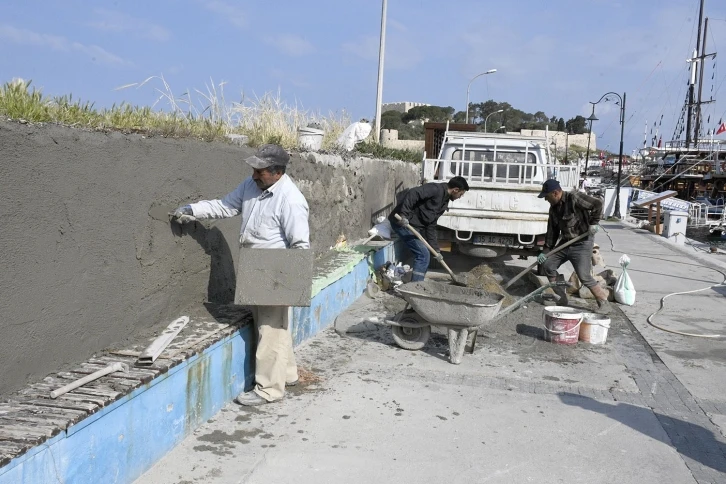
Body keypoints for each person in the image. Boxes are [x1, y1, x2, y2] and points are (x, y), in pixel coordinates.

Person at [170, 144, 309, 406]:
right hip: (255, 265)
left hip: (275, 268)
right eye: (254, 170)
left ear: (277, 172)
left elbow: (300, 245)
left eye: (261, 171)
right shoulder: (251, 186)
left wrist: (289, 287)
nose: (255, 175)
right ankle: (287, 374)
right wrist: (193, 210)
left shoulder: (291, 199)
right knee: (272, 325)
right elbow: (226, 206)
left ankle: (269, 389)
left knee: (270, 329)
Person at [536, 179, 611, 314]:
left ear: (555, 193)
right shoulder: (553, 209)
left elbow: (598, 204)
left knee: (584, 275)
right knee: (548, 265)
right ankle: (561, 298)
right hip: (565, 243)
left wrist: (594, 222)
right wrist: (545, 251)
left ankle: (604, 301)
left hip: (582, 242)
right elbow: (552, 233)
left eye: (546, 196)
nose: (546, 200)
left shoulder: (574, 198)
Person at [388, 176, 469, 281]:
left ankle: (418, 281)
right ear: (455, 190)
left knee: (426, 254)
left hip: (415, 226)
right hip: (402, 223)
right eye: (461, 194)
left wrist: (436, 250)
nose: (460, 197)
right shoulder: (435, 189)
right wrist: (403, 214)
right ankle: (416, 286)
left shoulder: (444, 202)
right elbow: (413, 193)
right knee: (423, 254)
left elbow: (431, 225)